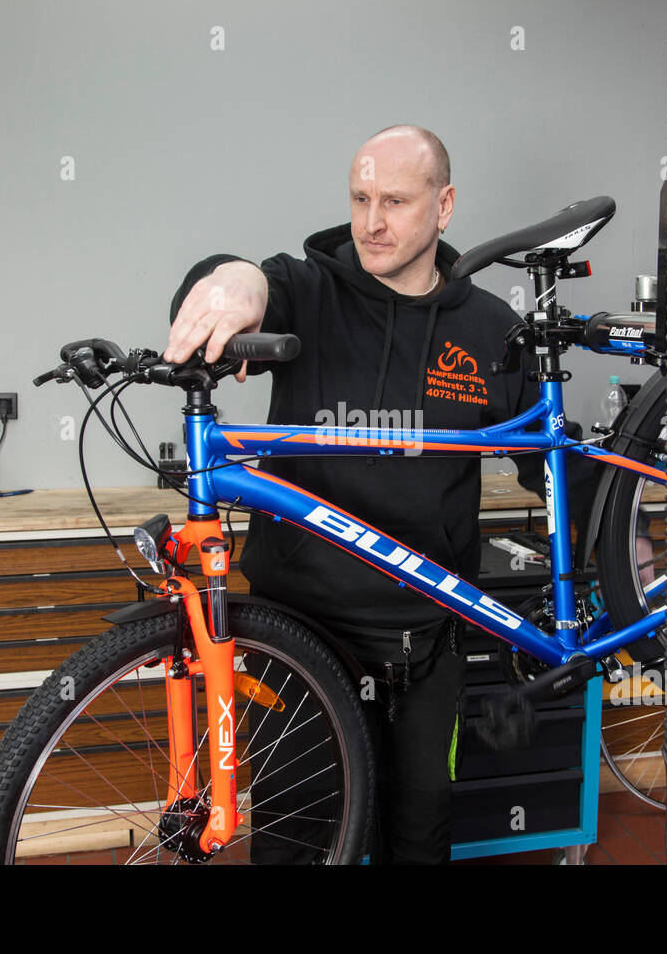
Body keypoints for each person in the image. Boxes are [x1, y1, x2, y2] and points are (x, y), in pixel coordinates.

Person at [164, 125, 548, 863]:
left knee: (419, 837)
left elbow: (550, 458)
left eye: (396, 201)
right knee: (299, 843)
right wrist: (231, 279)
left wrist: (627, 544)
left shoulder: (489, 329)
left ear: (444, 206)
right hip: (304, 640)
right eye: (360, 198)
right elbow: (229, 282)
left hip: (428, 643)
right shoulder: (305, 292)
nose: (371, 222)